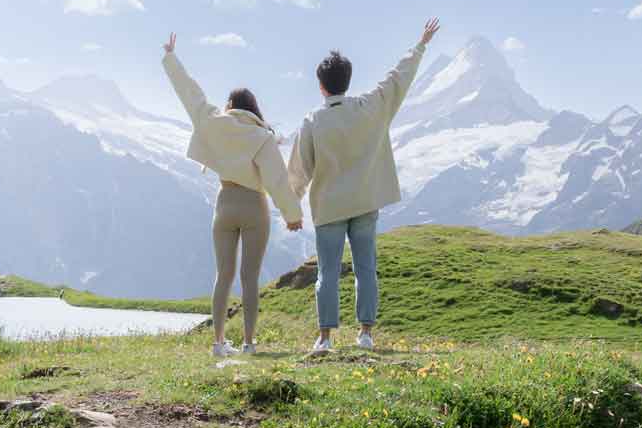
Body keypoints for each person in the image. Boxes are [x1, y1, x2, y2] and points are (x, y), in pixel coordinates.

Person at [288, 18, 441, 355]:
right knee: (365, 269)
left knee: (327, 274)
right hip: (364, 202)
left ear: (321, 86)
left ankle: (325, 338)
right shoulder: (370, 107)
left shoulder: (313, 121)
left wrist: (290, 208)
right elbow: (397, 79)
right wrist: (420, 45)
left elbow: (300, 169)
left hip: (328, 208)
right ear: (348, 80)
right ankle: (366, 333)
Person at [162, 34, 304, 356]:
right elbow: (278, 180)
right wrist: (293, 215)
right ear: (254, 109)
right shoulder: (262, 136)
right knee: (249, 277)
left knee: (223, 275)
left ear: (229, 106)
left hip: (224, 204)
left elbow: (191, 93)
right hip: (254, 205)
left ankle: (217, 343)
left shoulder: (213, 121)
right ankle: (249, 344)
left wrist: (171, 58)